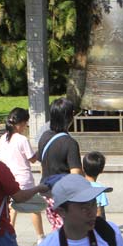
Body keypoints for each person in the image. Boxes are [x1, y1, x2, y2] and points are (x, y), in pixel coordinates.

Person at [0, 107, 46, 246]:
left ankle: (9, 238)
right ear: (21, 123)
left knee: (12, 209)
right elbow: (32, 159)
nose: (26, 127)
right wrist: (40, 152)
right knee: (34, 207)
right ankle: (40, 237)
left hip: (8, 179)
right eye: (26, 123)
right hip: (24, 179)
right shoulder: (22, 139)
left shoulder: (3, 139)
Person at [38, 97, 83, 231]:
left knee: (57, 228)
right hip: (64, 196)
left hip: (47, 194)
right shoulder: (70, 143)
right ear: (70, 116)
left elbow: (42, 167)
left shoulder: (44, 137)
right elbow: (75, 174)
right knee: (68, 232)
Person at [83, 151, 109, 220]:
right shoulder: (99, 189)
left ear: (83, 168)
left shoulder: (78, 185)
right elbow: (99, 212)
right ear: (102, 170)